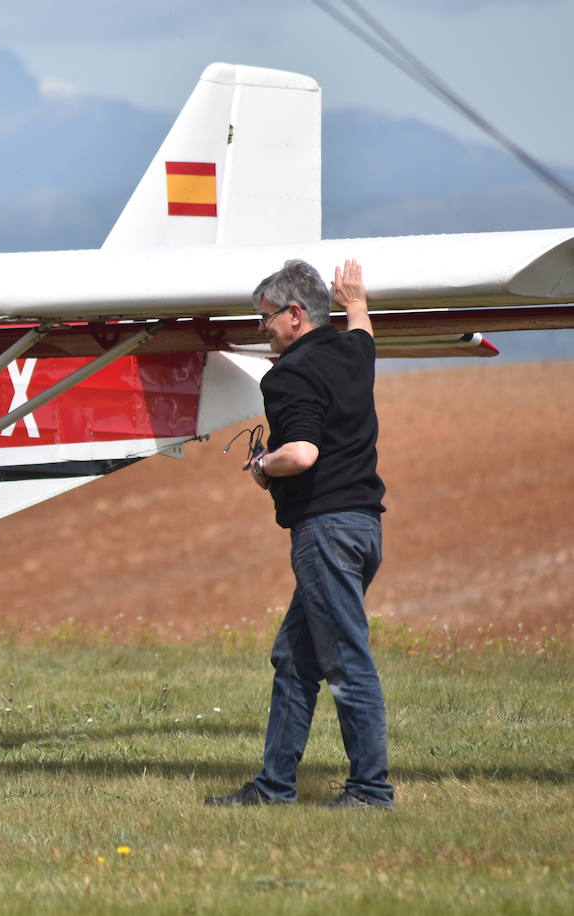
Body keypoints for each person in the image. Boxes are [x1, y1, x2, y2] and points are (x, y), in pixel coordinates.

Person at [205, 258, 394, 809]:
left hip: (326, 531)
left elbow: (302, 452)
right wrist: (355, 301)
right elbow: (361, 331)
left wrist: (263, 467)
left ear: (294, 314)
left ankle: (370, 790)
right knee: (294, 656)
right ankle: (273, 786)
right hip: (363, 528)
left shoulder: (287, 375)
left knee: (345, 660)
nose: (260, 328)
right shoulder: (352, 354)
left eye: (264, 318)